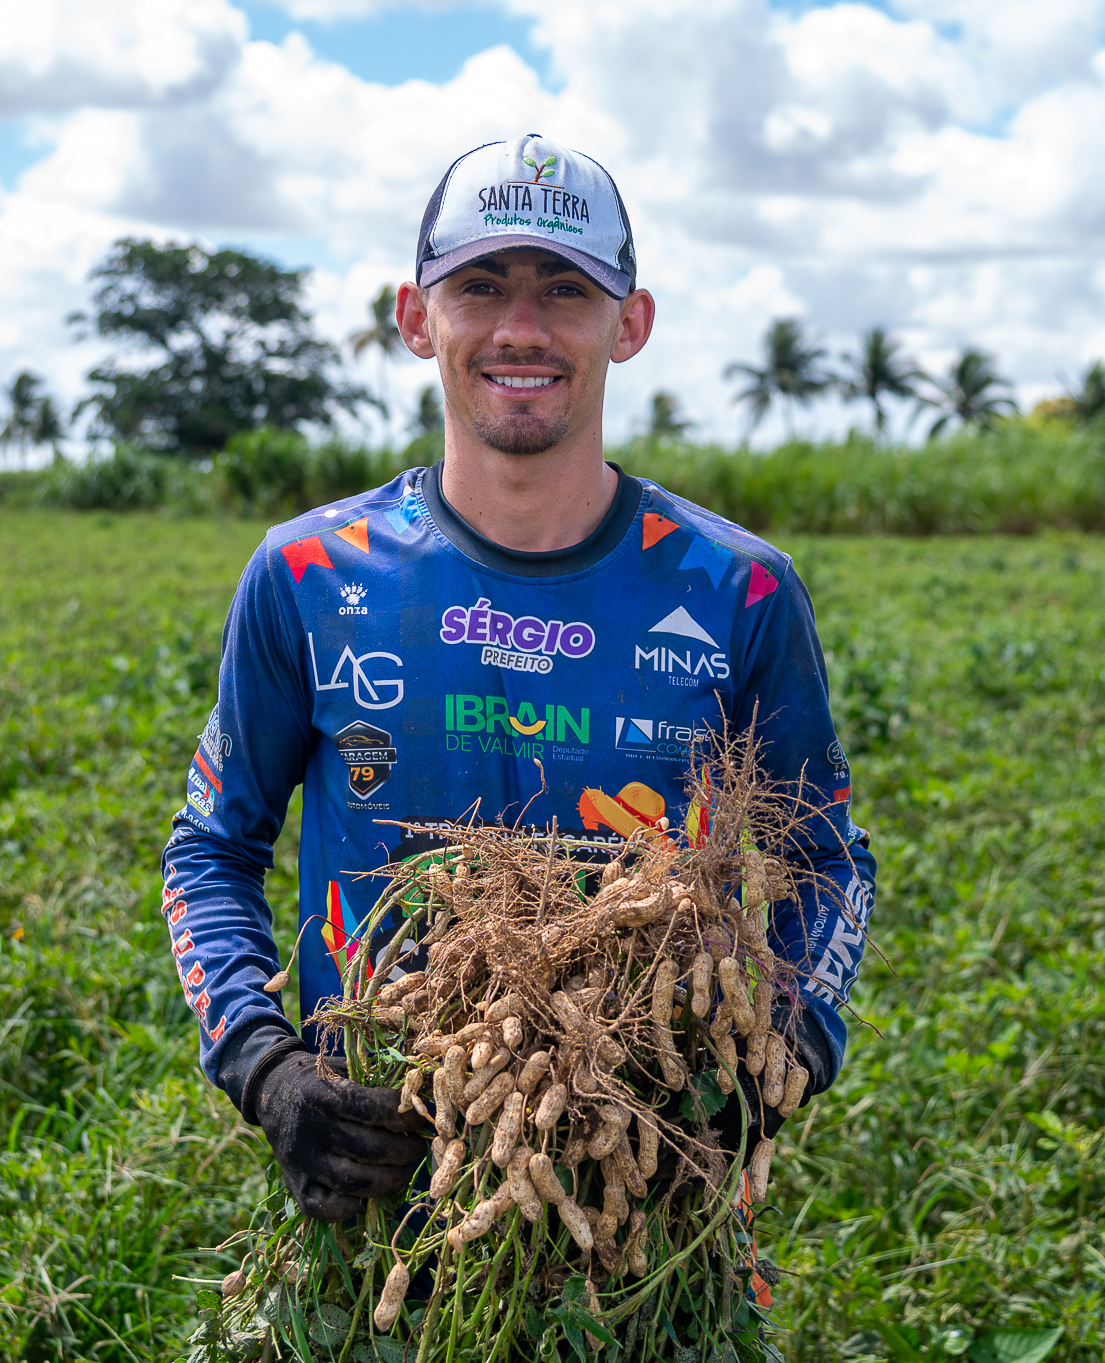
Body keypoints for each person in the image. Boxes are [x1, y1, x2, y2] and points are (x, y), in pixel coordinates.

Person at [160, 134, 876, 1221]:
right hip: (375, 1200)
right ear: (415, 318)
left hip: (648, 1192)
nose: (520, 328)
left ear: (627, 324)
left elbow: (825, 857)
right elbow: (211, 847)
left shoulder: (740, 591)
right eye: (480, 286)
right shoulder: (307, 574)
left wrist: (781, 1055)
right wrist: (269, 1074)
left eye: (565, 291)